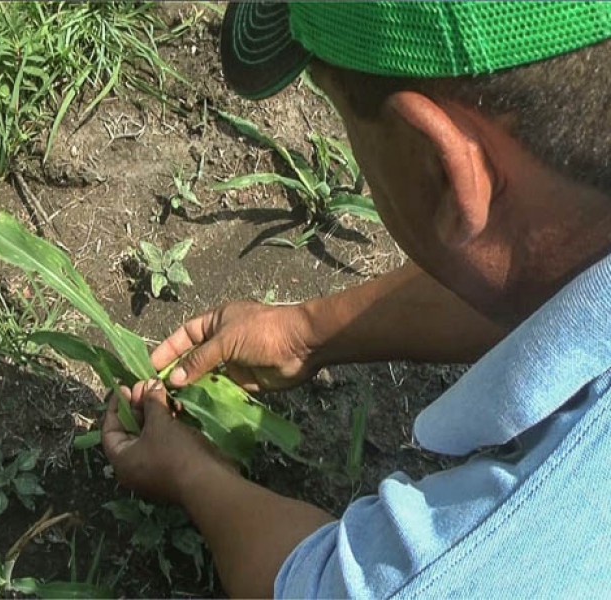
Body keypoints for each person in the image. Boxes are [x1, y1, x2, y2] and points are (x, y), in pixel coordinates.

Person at [103, 2, 611, 597]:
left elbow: (320, 585)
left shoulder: (491, 567)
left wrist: (190, 473)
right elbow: (543, 271)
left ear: (442, 171)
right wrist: (307, 332)